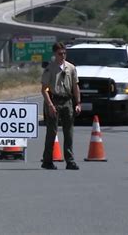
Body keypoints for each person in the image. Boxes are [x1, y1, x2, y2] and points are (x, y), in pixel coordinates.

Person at [41, 42, 81, 170]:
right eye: (60, 53)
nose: (62, 56)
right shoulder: (50, 68)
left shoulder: (71, 68)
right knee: (52, 132)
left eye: (64, 53)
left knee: (69, 132)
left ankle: (70, 160)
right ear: (55, 54)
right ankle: (47, 161)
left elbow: (75, 86)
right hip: (54, 101)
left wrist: (78, 103)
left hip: (67, 101)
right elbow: (44, 89)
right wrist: (50, 105)